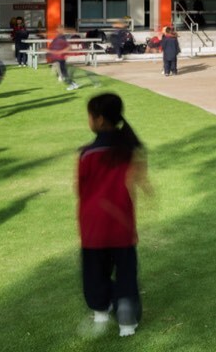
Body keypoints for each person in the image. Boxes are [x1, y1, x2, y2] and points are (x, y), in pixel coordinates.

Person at [78, 93, 148, 338]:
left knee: (95, 271)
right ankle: (127, 323)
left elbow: (82, 190)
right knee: (126, 273)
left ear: (98, 120)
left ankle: (100, 311)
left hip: (94, 227)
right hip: (122, 225)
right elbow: (138, 180)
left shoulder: (87, 155)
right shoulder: (127, 150)